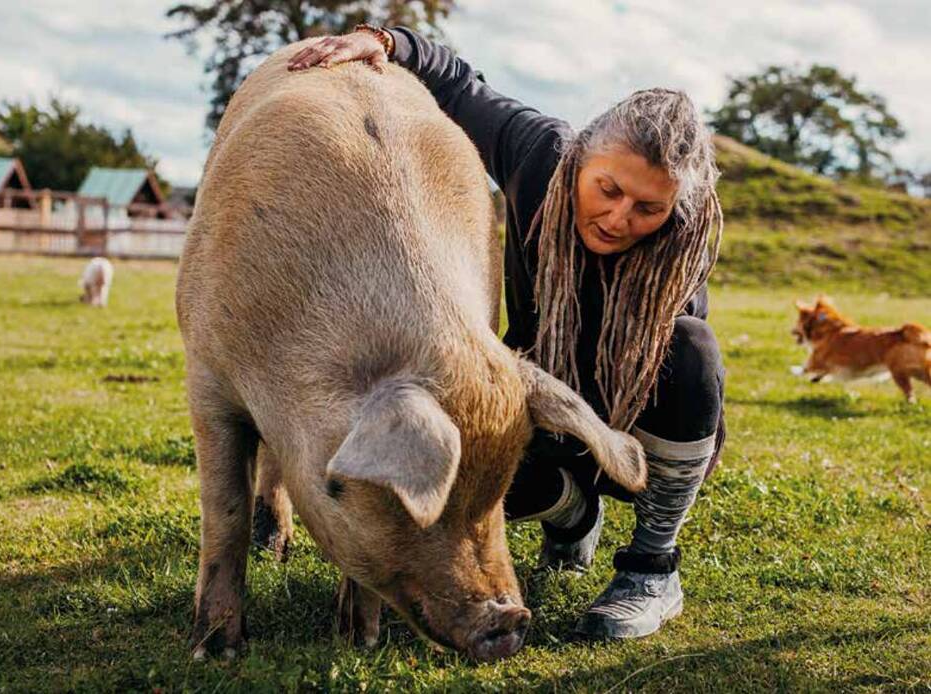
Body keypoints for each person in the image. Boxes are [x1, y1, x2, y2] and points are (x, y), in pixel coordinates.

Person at [288, 24, 725, 641]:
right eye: (608, 189)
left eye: (648, 209)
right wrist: (383, 42)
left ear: (675, 209)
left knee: (691, 346)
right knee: (473, 463)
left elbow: (676, 384)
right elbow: (460, 85)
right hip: (538, 399)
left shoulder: (678, 250)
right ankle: (572, 516)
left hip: (632, 436)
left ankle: (651, 570)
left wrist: (595, 430)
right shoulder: (539, 154)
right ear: (581, 157)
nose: (618, 217)